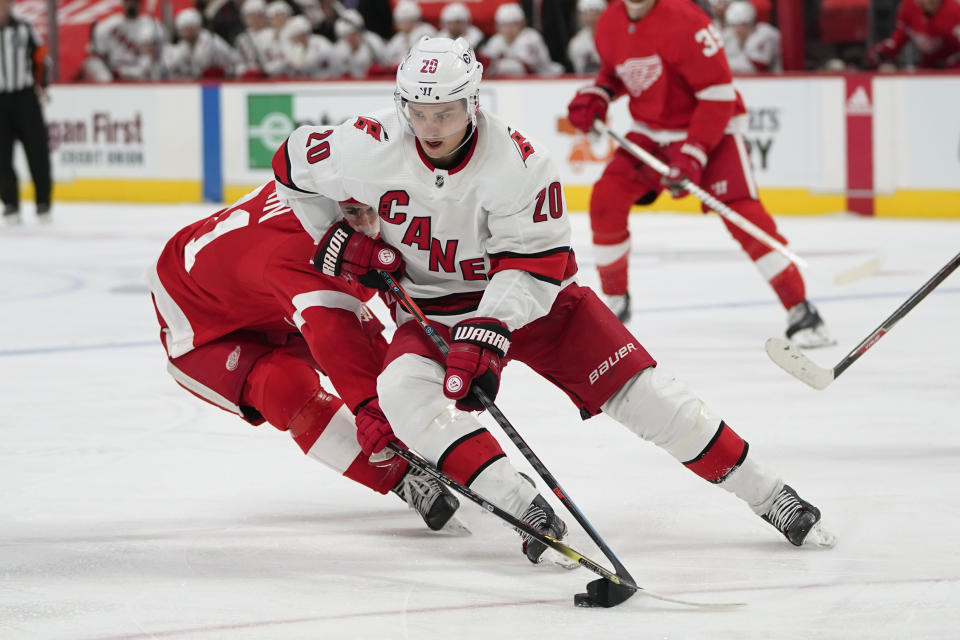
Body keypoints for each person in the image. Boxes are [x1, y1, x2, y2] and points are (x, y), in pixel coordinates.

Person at [272, 36, 836, 565]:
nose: (429, 127)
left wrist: (488, 329)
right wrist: (333, 237)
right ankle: (525, 509)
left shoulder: (521, 163)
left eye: (443, 112)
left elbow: (533, 264)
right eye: (417, 113)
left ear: (472, 102)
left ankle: (771, 496)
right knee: (400, 394)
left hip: (541, 308)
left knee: (655, 401)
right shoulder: (366, 146)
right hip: (432, 312)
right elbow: (289, 164)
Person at [147, 180, 462, 534]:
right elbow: (336, 342)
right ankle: (405, 477)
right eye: (353, 212)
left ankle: (457, 457)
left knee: (381, 360)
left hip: (261, 295)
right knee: (285, 387)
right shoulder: (301, 254)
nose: (366, 224)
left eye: (370, 212)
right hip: (198, 323)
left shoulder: (320, 203)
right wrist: (370, 408)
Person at [566, 0, 833, 347]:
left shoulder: (687, 21)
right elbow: (617, 74)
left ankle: (801, 308)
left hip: (710, 129)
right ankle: (615, 305)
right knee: (606, 200)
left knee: (742, 215)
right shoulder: (610, 22)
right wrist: (598, 94)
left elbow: (719, 95)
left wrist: (693, 153)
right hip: (652, 133)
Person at [0, 0, 51, 225]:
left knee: (37, 150)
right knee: (1, 155)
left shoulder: (24, 29)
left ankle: (43, 203)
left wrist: (42, 86)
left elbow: (41, 57)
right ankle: (10, 203)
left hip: (24, 97)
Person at [83, 0, 168, 82]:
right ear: (123, 3)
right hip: (115, 74)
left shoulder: (151, 25)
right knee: (93, 64)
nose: (131, 4)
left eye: (135, 1)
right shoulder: (109, 25)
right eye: (128, 1)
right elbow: (96, 53)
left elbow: (157, 56)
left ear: (140, 4)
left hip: (143, 75)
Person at [867, 0, 960, 70]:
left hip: (955, 65)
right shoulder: (909, 8)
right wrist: (880, 55)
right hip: (928, 66)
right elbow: (896, 41)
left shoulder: (955, 10)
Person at [480, 3, 564, 77]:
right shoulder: (496, 40)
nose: (509, 29)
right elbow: (484, 65)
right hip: (523, 84)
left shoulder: (530, 37)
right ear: (497, 26)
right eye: (504, 25)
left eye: (513, 24)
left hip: (549, 78)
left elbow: (524, 69)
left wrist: (494, 66)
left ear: (523, 23)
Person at [164, 8, 247, 79]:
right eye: (182, 30)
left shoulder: (212, 40)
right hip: (196, 85)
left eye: (188, 29)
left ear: (197, 27)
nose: (186, 33)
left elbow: (234, 60)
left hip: (221, 81)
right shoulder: (181, 47)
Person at [722, 1, 782, 73]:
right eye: (734, 25)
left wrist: (723, 65)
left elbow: (758, 66)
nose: (738, 29)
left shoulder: (766, 34)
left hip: (772, 81)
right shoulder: (728, 35)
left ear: (750, 23)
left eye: (742, 24)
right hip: (742, 81)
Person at [385, 1, 438, 66]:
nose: (401, 25)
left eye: (405, 21)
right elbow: (388, 59)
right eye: (400, 22)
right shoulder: (398, 38)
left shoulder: (426, 32)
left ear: (414, 20)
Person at [567, 0, 606, 74]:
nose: (590, 17)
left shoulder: (614, 38)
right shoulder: (576, 42)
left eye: (595, 12)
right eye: (586, 13)